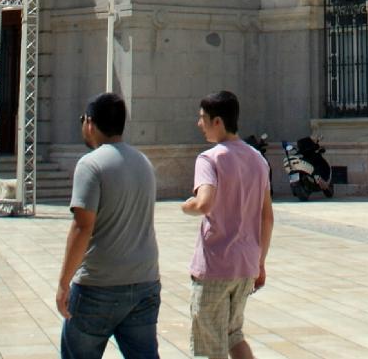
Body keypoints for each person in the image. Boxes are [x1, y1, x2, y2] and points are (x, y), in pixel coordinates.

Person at [55, 93, 160, 359]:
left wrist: (64, 282)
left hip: (98, 285)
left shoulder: (91, 165)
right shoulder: (143, 162)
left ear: (90, 123)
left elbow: (82, 227)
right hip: (144, 279)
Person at [181, 90, 272, 359]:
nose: (199, 124)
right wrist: (261, 262)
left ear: (217, 121)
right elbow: (267, 216)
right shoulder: (258, 159)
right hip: (246, 265)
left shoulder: (210, 159)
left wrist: (187, 205)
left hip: (215, 266)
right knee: (234, 335)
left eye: (202, 118)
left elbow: (204, 203)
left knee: (210, 346)